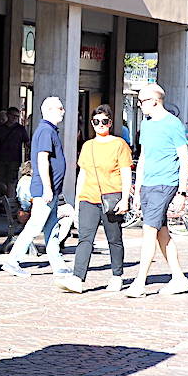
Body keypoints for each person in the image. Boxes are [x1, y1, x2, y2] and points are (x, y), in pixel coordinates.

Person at [55, 104, 132, 294]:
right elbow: (83, 174)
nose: (100, 125)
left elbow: (125, 172)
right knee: (84, 238)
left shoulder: (119, 144)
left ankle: (117, 276)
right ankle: (77, 278)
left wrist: (125, 198)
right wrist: (77, 199)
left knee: (114, 238)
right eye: (96, 122)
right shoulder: (88, 146)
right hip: (89, 198)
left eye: (104, 121)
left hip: (111, 197)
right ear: (92, 123)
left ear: (110, 123)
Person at [125, 84, 188, 297]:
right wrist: (138, 188)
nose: (140, 105)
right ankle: (179, 278)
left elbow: (183, 157)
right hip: (149, 185)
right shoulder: (146, 125)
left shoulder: (173, 124)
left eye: (143, 101)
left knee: (149, 232)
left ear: (154, 100)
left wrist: (182, 191)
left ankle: (139, 282)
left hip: (164, 184)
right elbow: (143, 157)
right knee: (162, 233)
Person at [2, 97, 70, 277]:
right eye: (60, 108)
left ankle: (57, 264)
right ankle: (12, 260)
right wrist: (47, 188)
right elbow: (42, 159)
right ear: (49, 110)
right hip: (45, 189)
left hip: (51, 189)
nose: (63, 111)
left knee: (52, 227)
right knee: (35, 225)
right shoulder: (46, 131)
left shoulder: (48, 130)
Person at [0, 107, 29, 197]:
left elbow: (27, 143)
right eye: (13, 116)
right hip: (2, 158)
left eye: (17, 116)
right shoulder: (1, 129)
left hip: (15, 159)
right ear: (8, 115)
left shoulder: (21, 129)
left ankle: (9, 202)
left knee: (11, 182)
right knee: (1, 181)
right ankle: (3, 201)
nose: (15, 118)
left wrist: (28, 159)